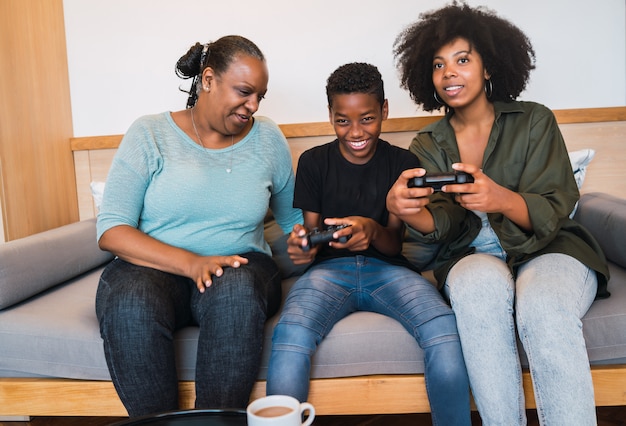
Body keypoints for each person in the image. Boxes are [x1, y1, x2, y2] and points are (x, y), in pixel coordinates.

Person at [387, 3, 611, 425]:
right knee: (476, 289)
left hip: (550, 247)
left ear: (489, 67)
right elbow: (443, 223)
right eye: (438, 65)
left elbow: (555, 205)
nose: (448, 72)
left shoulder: (533, 121)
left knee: (543, 306)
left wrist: (500, 198)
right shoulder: (427, 142)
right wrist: (406, 212)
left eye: (462, 59)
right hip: (471, 255)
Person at [95, 35, 302, 417]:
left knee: (236, 288)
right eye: (244, 91)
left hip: (241, 266)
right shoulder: (150, 134)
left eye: (260, 96)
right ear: (208, 80)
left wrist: (308, 241)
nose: (252, 106)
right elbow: (112, 229)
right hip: (152, 268)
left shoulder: (268, 138)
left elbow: (294, 222)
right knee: (131, 302)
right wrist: (191, 263)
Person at [266, 62, 472, 425]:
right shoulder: (314, 163)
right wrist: (302, 245)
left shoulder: (403, 162)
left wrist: (372, 231)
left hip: (388, 269)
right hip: (327, 270)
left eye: (367, 119)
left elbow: (393, 245)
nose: (356, 131)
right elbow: (309, 239)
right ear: (330, 115)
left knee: (443, 327)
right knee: (290, 332)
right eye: (343, 120)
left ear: (385, 111)